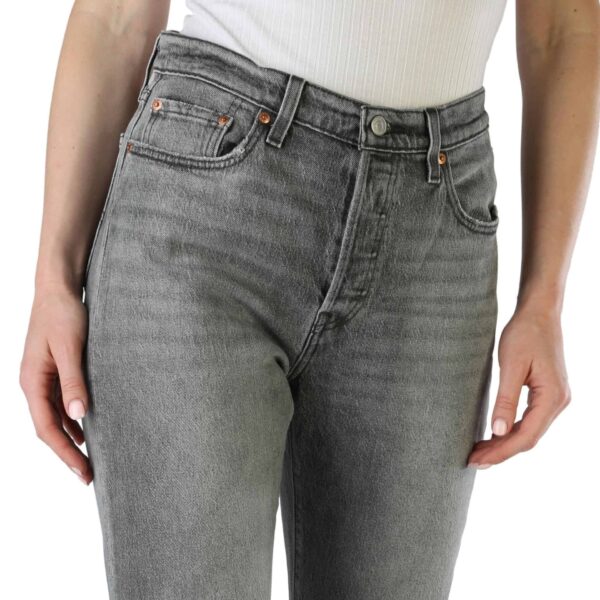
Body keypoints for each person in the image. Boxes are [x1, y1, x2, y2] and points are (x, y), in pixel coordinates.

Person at [19, 1, 599, 599]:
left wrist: (544, 299)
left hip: (431, 233)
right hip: (209, 204)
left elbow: (565, 29)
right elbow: (116, 16)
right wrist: (53, 281)